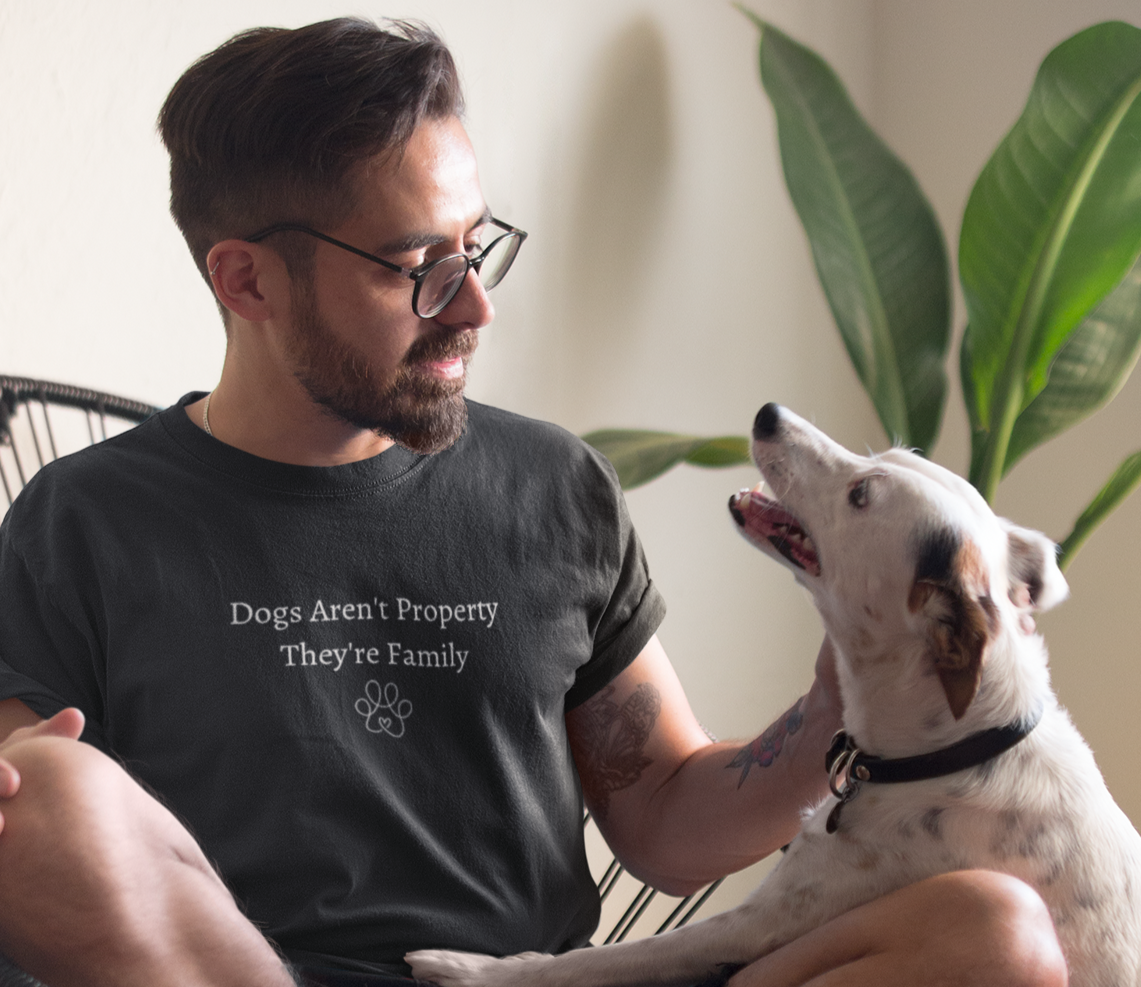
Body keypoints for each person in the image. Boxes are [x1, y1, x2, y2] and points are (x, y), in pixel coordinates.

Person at [0, 17, 1067, 987]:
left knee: (992, 930)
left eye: (476, 246)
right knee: (40, 795)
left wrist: (839, 705)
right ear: (246, 283)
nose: (475, 306)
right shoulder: (83, 523)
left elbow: (660, 818)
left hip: (531, 978)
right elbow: (37, 828)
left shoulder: (551, 488)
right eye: (419, 267)